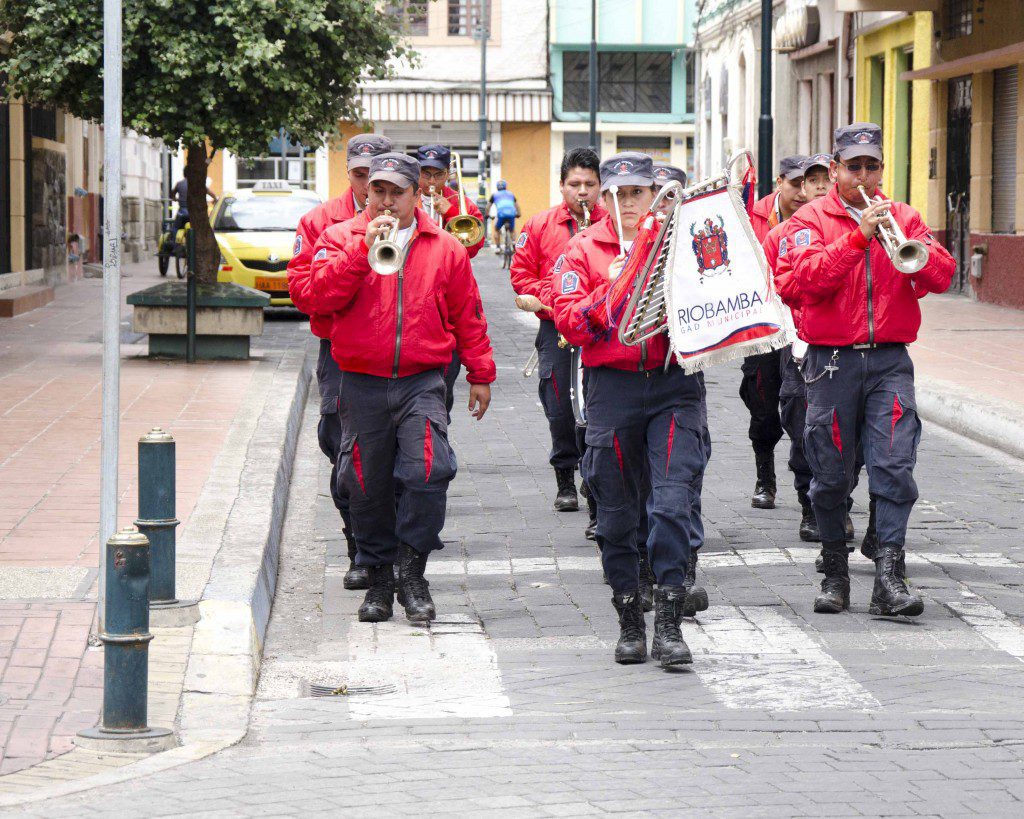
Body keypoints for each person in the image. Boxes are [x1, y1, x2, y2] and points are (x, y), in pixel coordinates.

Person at [307, 153, 496, 625]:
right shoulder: (339, 238)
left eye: (397, 192)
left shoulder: (445, 247)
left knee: (429, 471)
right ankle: (379, 582)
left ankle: (413, 570)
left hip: (421, 378)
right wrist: (359, 251)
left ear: (417, 194)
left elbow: (467, 314)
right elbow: (313, 297)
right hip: (361, 380)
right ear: (367, 193)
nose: (387, 202)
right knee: (364, 484)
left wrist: (480, 373)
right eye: (379, 192)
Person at [776, 123, 955, 617]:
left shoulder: (905, 216)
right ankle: (835, 573)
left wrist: (915, 259)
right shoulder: (809, 220)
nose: (862, 175)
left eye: (870, 165)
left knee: (895, 466)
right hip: (830, 361)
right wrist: (857, 239)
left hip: (890, 360)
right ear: (834, 170)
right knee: (831, 474)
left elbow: (942, 275)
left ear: (881, 168)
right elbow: (798, 283)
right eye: (852, 166)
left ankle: (889, 579)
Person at [552, 152, 706, 669]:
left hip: (673, 385)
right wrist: (611, 285)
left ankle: (668, 623)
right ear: (601, 199)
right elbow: (570, 323)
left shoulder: (679, 243)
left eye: (636, 193)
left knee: (671, 503)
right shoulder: (580, 250)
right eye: (615, 194)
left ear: (653, 194)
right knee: (616, 515)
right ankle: (628, 620)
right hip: (612, 388)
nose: (626, 205)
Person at [287, 134, 394, 592]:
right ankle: (356, 542)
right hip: (339, 349)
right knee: (340, 445)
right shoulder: (318, 221)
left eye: (378, 175)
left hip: (394, 350)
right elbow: (301, 288)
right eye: (360, 174)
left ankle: (386, 549)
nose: (370, 183)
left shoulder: (409, 213)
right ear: (348, 173)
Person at [509, 148, 604, 515]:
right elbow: (521, 278)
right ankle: (565, 475)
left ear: (600, 187)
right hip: (556, 327)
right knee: (559, 404)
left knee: (598, 403)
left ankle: (594, 476)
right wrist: (561, 301)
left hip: (598, 328)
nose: (582, 192)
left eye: (590, 184)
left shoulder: (611, 224)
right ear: (561, 186)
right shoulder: (538, 225)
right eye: (574, 184)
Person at [741, 155, 808, 510]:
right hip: (765, 323)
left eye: (807, 184)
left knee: (805, 407)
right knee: (763, 404)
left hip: (803, 322)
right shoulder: (750, 213)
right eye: (795, 184)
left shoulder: (820, 216)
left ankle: (813, 485)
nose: (801, 192)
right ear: (779, 182)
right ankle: (764, 477)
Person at [416, 144, 487, 419]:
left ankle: (438, 427)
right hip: (418, 290)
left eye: (438, 174)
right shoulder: (407, 197)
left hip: (449, 294)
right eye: (426, 173)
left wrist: (450, 214)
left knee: (445, 379)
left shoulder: (463, 204)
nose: (432, 182)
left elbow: (472, 249)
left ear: (448, 174)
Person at [168, 176, 217, 247]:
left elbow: (171, 195)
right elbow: (211, 194)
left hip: (182, 212)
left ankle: (174, 246)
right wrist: (214, 199)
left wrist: (175, 199)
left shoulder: (179, 184)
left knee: (175, 227)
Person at [489, 180, 521, 251]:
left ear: (497, 187)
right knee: (512, 230)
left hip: (501, 214)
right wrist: (518, 214)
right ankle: (513, 244)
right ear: (506, 187)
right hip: (511, 214)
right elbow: (516, 205)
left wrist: (487, 215)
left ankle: (497, 247)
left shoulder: (494, 195)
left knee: (497, 229)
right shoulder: (511, 194)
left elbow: (489, 206)